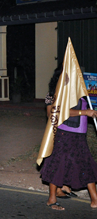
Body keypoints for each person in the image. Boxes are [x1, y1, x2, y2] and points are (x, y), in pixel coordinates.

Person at [40, 66, 97, 210]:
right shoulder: (56, 93)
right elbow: (53, 112)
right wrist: (84, 112)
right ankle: (52, 199)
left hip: (80, 135)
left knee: (86, 165)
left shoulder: (81, 93)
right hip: (64, 134)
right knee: (58, 165)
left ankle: (94, 200)